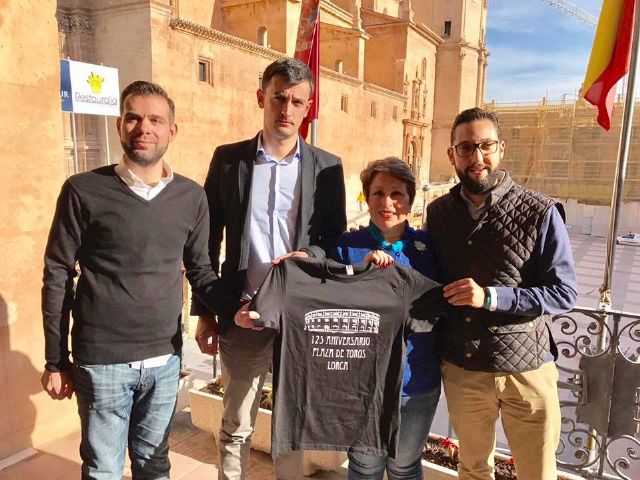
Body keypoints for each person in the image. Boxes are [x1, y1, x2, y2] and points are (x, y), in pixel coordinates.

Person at [41, 80, 231, 479]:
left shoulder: (191, 197)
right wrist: (56, 360)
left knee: (154, 464)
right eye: (133, 118)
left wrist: (238, 307)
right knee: (103, 469)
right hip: (101, 361)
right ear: (119, 125)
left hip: (165, 360)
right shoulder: (83, 190)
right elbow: (58, 273)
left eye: (155, 120)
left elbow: (200, 270)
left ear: (171, 131)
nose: (144, 128)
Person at [191, 58, 346, 480]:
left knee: (291, 428)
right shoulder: (229, 161)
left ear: (308, 107)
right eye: (279, 98)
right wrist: (207, 311)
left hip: (299, 319)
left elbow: (334, 240)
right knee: (236, 424)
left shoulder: (327, 167)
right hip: (242, 314)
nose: (287, 109)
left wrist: (309, 255)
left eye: (297, 102)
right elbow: (207, 241)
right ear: (262, 98)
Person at [427, 107, 577, 480]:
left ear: (501, 149)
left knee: (537, 473)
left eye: (486, 145)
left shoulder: (540, 211)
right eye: (465, 148)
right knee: (473, 469)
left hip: (527, 369)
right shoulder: (439, 213)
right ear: (452, 155)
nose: (476, 157)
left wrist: (492, 297)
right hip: (465, 369)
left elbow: (563, 292)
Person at [331, 157, 441, 480]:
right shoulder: (347, 247)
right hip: (362, 383)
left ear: (411, 199)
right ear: (367, 197)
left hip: (415, 380)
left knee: (404, 466)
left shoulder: (430, 248)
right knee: (365, 467)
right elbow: (332, 307)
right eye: (378, 193)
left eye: (397, 194)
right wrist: (360, 274)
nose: (387, 202)